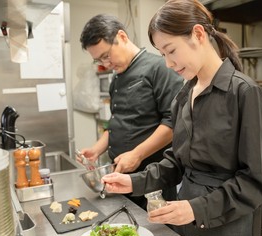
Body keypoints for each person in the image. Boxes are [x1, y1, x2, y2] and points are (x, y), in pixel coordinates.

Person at [102, 0, 262, 236]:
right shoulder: (184, 95)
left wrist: (196, 209)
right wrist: (133, 181)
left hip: (225, 225)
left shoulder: (244, 92)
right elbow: (176, 162)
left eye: (171, 50)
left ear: (198, 34)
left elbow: (254, 182)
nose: (169, 63)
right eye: (162, 55)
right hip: (183, 218)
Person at [78, 14, 184, 209]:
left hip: (152, 177)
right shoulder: (117, 78)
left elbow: (173, 123)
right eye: (99, 60)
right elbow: (118, 122)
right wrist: (97, 149)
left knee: (157, 233)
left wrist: (136, 154)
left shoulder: (159, 68)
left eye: (106, 55)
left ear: (122, 37)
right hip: (122, 176)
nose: (106, 64)